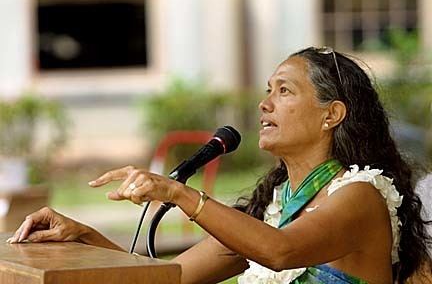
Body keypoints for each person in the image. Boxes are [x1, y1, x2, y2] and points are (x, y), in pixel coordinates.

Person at [6, 47, 432, 284]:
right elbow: (169, 278)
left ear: (331, 114)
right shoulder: (271, 211)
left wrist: (178, 192)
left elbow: (281, 251)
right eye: (268, 91)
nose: (264, 105)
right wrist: (83, 236)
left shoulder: (359, 195)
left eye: (284, 91)